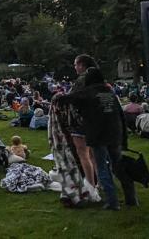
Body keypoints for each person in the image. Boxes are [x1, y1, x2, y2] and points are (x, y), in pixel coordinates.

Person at [56, 67, 137, 210]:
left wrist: (58, 97)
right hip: (115, 133)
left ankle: (113, 202)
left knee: (102, 167)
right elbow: (120, 114)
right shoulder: (110, 93)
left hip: (98, 134)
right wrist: (123, 137)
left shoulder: (88, 93)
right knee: (118, 166)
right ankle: (131, 198)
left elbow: (69, 99)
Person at [67, 54, 98, 192]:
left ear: (81, 65)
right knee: (94, 154)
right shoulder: (97, 78)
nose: (74, 68)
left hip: (80, 120)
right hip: (95, 120)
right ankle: (101, 182)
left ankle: (90, 184)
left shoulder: (81, 80)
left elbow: (72, 98)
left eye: (75, 64)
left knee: (83, 153)